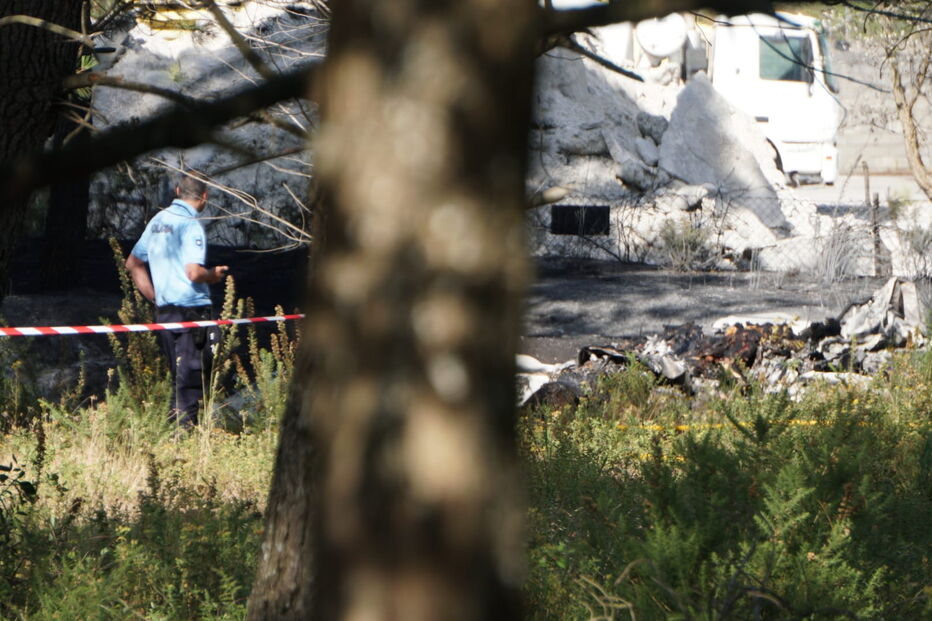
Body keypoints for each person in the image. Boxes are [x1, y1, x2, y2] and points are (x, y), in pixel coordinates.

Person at [125, 174, 229, 427]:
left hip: (167, 312)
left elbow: (133, 263)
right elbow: (193, 272)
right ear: (204, 196)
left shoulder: (159, 220)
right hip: (191, 311)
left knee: (178, 374)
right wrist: (213, 275)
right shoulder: (190, 224)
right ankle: (184, 435)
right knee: (192, 376)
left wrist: (156, 298)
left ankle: (179, 430)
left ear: (177, 190)